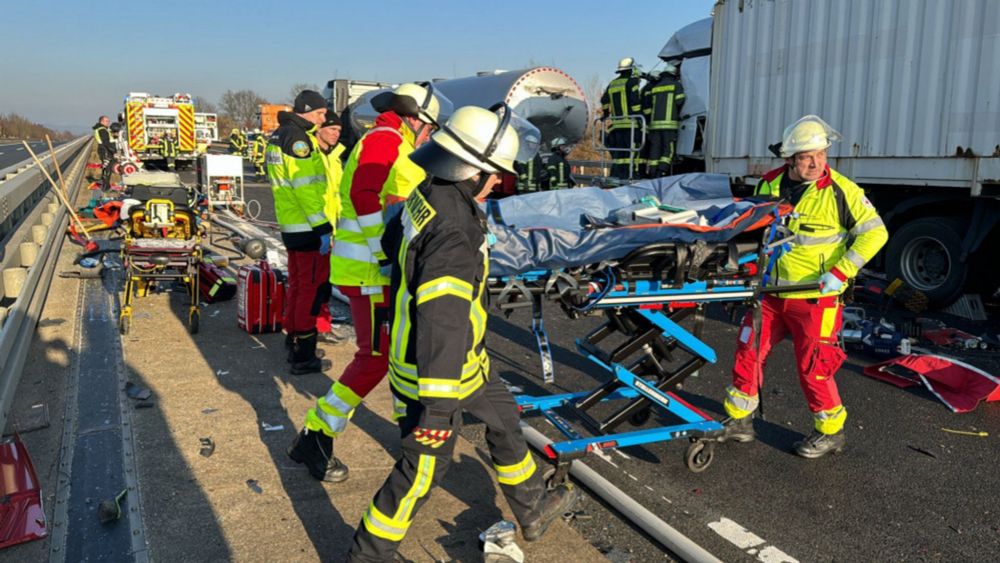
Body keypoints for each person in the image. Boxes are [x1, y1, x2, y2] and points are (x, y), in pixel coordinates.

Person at [346, 104, 579, 561]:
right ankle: (366, 556)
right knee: (421, 471)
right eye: (494, 174)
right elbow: (442, 321)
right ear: (469, 168)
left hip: (466, 363)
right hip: (437, 374)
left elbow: (395, 245)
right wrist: (436, 410)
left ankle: (531, 509)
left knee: (505, 423)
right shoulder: (453, 230)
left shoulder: (427, 194)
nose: (498, 182)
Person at [287, 83, 446, 482]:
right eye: (428, 128)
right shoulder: (386, 139)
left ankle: (408, 435)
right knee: (375, 357)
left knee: (397, 356)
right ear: (414, 118)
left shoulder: (390, 141)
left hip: (378, 273)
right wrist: (384, 253)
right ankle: (317, 434)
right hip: (371, 274)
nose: (429, 135)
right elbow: (363, 195)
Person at [719, 115, 888, 459]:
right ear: (790, 159)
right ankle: (739, 420)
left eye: (822, 154)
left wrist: (841, 272)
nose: (816, 163)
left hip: (816, 298)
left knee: (814, 367)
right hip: (769, 296)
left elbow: (876, 233)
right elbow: (755, 234)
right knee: (748, 351)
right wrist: (743, 272)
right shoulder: (767, 186)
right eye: (807, 156)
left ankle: (830, 432)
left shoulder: (842, 191)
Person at [265, 90, 333, 375]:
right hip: (307, 226)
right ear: (305, 112)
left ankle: (293, 341)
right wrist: (323, 227)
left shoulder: (278, 135)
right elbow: (305, 188)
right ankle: (304, 356)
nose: (322, 120)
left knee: (297, 286)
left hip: (290, 224)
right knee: (311, 289)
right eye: (319, 114)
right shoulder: (299, 140)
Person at [313, 110, 348, 344]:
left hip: (331, 228)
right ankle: (314, 329)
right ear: (319, 129)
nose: (336, 134)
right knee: (314, 284)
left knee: (324, 283)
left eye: (339, 131)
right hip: (315, 228)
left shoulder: (333, 157)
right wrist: (322, 229)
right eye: (332, 129)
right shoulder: (313, 155)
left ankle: (321, 326)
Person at [600, 57, 643, 179]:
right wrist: (640, 117)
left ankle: (616, 174)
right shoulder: (631, 82)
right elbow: (635, 102)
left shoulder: (613, 84)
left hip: (617, 125)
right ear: (631, 69)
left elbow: (604, 100)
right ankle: (630, 175)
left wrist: (605, 113)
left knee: (619, 153)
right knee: (631, 151)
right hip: (631, 124)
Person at [643, 63, 685, 177]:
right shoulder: (676, 85)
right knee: (668, 150)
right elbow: (680, 101)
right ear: (674, 75)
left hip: (654, 125)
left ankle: (652, 172)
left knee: (655, 149)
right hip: (669, 125)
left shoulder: (655, 87)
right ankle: (662, 172)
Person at [92, 115, 116, 191]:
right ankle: (105, 187)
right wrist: (113, 151)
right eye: (106, 121)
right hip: (106, 151)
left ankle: (105, 184)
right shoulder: (102, 130)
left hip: (104, 150)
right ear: (101, 121)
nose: (108, 122)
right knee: (108, 169)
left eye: (108, 121)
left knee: (106, 168)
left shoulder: (100, 129)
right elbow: (106, 142)